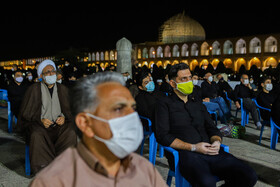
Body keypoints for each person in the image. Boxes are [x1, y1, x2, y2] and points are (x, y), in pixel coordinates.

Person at [30, 72, 167, 187]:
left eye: (131, 108)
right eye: (117, 109)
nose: (129, 118)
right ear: (85, 123)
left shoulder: (144, 169)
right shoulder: (52, 181)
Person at [155, 63, 257, 187]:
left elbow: (212, 128)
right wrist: (193, 147)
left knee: (248, 175)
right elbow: (162, 136)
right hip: (186, 154)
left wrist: (216, 141)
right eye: (183, 79)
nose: (189, 81)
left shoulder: (197, 104)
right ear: (172, 83)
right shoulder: (164, 104)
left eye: (190, 77)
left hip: (210, 151)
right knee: (207, 182)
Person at [18, 60, 77, 174]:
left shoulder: (63, 89)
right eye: (47, 72)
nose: (51, 74)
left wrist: (64, 117)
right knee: (36, 134)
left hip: (59, 126)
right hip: (40, 126)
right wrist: (40, 120)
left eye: (53, 71)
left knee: (71, 132)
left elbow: (70, 110)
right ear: (41, 75)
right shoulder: (33, 89)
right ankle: (44, 169)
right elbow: (26, 113)